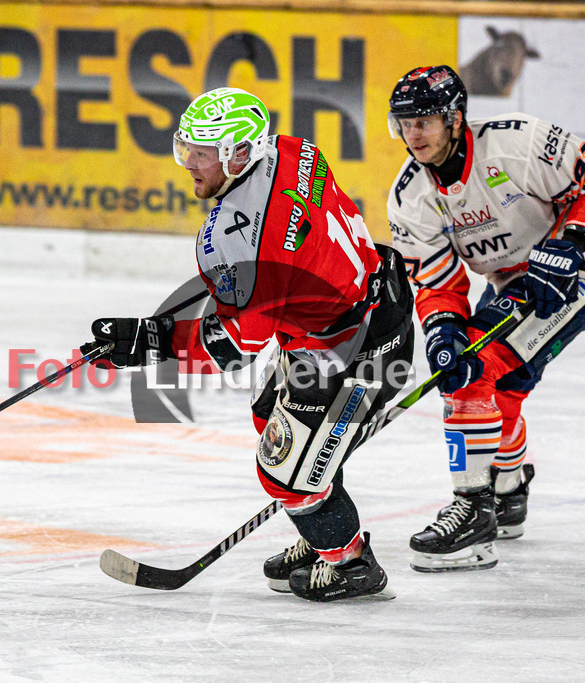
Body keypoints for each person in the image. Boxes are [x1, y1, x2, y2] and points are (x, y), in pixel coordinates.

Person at [82, 87, 415, 601]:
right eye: (186, 148)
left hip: (361, 349)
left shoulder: (239, 242)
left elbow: (235, 347)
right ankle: (320, 529)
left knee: (285, 472)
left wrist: (153, 342)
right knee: (269, 414)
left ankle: (351, 564)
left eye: (202, 152)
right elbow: (274, 277)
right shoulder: (293, 149)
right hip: (355, 308)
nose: (189, 163)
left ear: (240, 153)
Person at [385, 65, 585, 571]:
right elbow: (437, 284)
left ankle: (474, 512)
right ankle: (509, 492)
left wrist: (570, 242)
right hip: (512, 283)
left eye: (423, 121)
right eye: (404, 124)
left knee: (475, 373)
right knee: (493, 382)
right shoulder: (409, 198)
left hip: (579, 269)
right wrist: (443, 331)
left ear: (455, 119)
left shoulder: (517, 143)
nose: (413, 134)